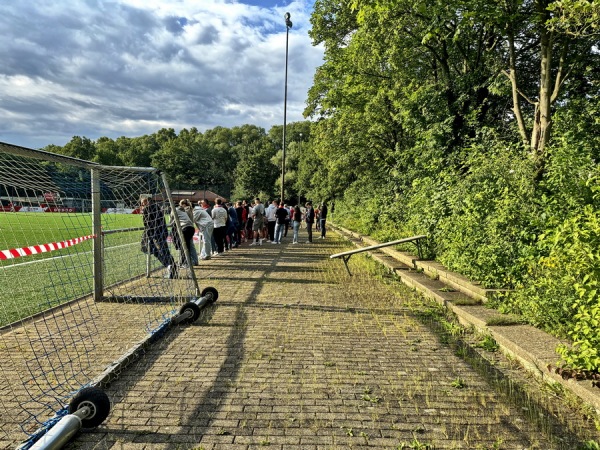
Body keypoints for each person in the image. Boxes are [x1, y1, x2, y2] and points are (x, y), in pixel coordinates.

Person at [141, 196, 176, 278]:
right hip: (162, 232)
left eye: (143, 203)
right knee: (165, 251)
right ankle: (172, 267)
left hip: (155, 234)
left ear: (146, 202)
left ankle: (169, 266)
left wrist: (149, 236)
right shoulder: (157, 207)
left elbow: (147, 224)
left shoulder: (147, 209)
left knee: (157, 252)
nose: (142, 204)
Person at [171, 199, 196, 267]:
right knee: (187, 246)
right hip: (191, 228)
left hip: (186, 228)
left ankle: (185, 263)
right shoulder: (184, 211)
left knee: (184, 247)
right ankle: (188, 262)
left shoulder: (175, 210)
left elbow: (172, 221)